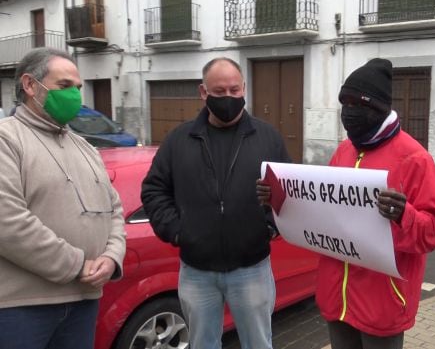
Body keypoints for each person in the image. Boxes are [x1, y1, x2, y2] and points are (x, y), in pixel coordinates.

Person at [259, 58, 435, 349]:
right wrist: (277, 201)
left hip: (382, 303)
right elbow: (321, 210)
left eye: (357, 104)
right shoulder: (344, 151)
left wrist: (404, 215)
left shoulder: (415, 158)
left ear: (380, 108)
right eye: (343, 103)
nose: (348, 112)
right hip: (336, 298)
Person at [141, 57, 290, 349]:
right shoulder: (179, 139)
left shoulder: (268, 138)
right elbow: (154, 189)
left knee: (258, 343)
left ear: (244, 89)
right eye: (219, 92)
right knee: (202, 344)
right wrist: (177, 230)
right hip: (197, 272)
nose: (229, 98)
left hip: (252, 268)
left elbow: (288, 192)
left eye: (235, 90)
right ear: (203, 92)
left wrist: (271, 227)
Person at [0, 48, 126, 348]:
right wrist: (77, 266)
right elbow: (7, 221)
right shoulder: (7, 139)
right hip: (22, 307)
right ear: (30, 86)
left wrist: (111, 258)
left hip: (84, 302)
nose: (75, 96)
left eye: (78, 88)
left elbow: (115, 211)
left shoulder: (85, 147)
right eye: (65, 86)